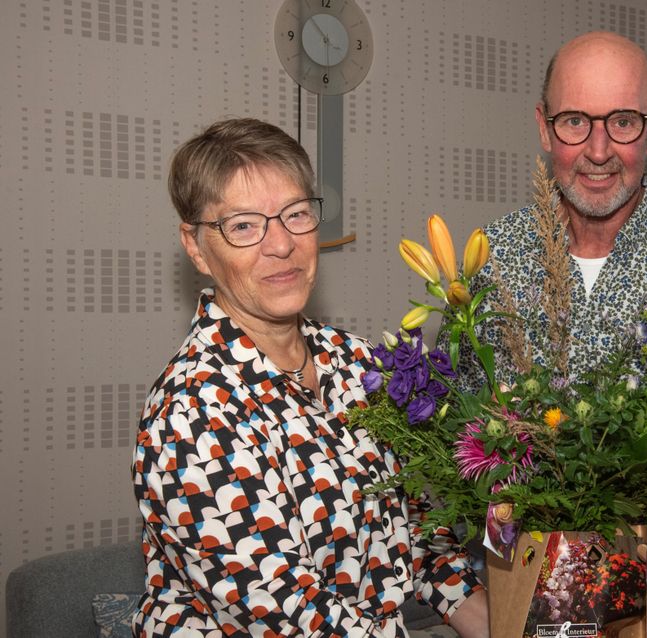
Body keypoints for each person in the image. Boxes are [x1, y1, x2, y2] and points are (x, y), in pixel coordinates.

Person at [132, 118, 488, 637]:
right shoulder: (190, 415)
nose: (281, 244)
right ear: (195, 246)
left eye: (296, 214)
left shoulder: (358, 362)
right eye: (244, 225)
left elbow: (420, 541)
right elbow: (295, 619)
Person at [449, 31, 647, 391]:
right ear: (545, 128)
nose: (599, 151)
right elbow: (456, 423)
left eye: (623, 121)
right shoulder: (488, 259)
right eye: (574, 121)